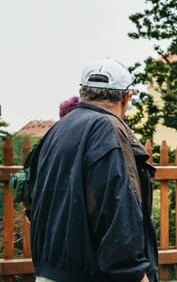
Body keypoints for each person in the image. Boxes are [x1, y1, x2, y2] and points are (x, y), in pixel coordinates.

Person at [30, 58, 158, 282]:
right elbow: (117, 208)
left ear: (82, 92)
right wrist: (135, 272)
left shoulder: (57, 130)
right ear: (127, 97)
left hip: (49, 271)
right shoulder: (108, 129)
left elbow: (30, 199)